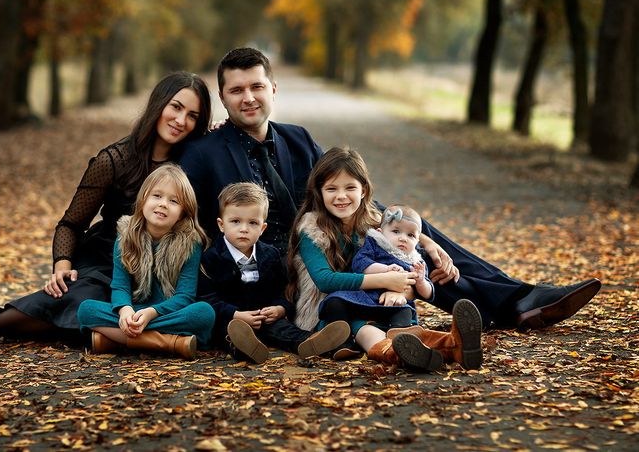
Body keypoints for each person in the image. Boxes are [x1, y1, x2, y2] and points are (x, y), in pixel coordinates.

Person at [179, 47, 600, 331]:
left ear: (273, 88)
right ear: (223, 97)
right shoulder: (203, 154)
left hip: (334, 247)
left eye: (256, 86)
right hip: (271, 274)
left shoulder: (298, 139)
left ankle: (517, 300)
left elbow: (352, 196)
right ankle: (515, 303)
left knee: (406, 230)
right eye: (236, 90)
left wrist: (428, 242)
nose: (248, 97)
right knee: (399, 244)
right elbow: (185, 224)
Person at [0, 72, 212, 349]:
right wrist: (62, 266)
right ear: (158, 104)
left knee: (183, 306)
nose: (181, 121)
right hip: (110, 257)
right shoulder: (113, 160)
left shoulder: (193, 162)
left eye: (192, 116)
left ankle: (114, 335)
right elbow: (71, 224)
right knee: (80, 296)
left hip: (166, 263)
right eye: (176, 107)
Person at [287, 147, 483, 371]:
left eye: (350, 187)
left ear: (363, 190)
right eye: (331, 188)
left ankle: (454, 345)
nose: (341, 196)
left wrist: (427, 244)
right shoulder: (312, 229)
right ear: (319, 192)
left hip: (376, 302)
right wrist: (384, 281)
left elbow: (405, 262)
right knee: (365, 328)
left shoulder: (376, 224)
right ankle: (401, 353)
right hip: (332, 313)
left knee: (401, 328)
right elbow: (325, 280)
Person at [197, 182, 349, 363]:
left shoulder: (270, 255)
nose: (244, 229)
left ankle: (310, 343)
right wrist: (235, 314)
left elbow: (283, 290)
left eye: (252, 223)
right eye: (235, 221)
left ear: (262, 228)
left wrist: (280, 308)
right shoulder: (211, 258)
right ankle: (245, 348)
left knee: (283, 329)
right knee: (228, 331)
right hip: (231, 320)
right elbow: (206, 298)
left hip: (265, 319)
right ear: (221, 225)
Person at [77, 164, 214, 358]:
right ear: (143, 200)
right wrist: (125, 311)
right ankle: (169, 343)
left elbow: (185, 296)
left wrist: (152, 313)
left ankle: (114, 339)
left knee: (203, 313)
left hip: (167, 313)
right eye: (157, 196)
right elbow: (120, 286)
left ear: (184, 212)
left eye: (174, 201)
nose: (163, 204)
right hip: (134, 312)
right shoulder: (126, 236)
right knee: (86, 309)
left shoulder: (190, 243)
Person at [321, 204, 434, 330]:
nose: (403, 238)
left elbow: (427, 294)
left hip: (392, 304)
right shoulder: (375, 244)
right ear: (381, 232)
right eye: (396, 231)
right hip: (361, 298)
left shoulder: (416, 262)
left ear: (418, 241)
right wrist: (385, 269)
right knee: (335, 302)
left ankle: (398, 338)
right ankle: (339, 338)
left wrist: (421, 281)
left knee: (404, 312)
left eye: (410, 235)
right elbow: (360, 263)